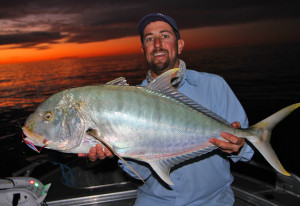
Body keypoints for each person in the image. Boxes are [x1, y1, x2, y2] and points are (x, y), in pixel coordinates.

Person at [79, 13, 254, 206]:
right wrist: (116, 148)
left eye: (165, 36)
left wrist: (238, 146)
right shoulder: (129, 104)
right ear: (143, 49)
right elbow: (139, 174)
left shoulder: (214, 86)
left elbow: (248, 151)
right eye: (149, 39)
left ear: (179, 45)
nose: (157, 44)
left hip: (212, 201)